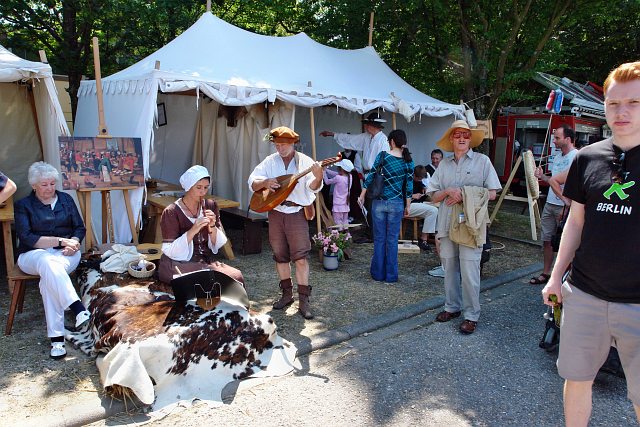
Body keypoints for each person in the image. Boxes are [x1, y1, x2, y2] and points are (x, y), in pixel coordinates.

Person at [542, 61, 640, 426]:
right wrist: (556, 277)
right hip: (585, 295)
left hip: (637, 302)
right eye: (613, 103)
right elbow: (575, 222)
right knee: (576, 378)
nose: (622, 111)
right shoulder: (587, 158)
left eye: (633, 102)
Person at [427, 120, 501, 334]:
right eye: (457, 134)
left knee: (470, 271)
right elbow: (432, 196)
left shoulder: (482, 161)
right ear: (451, 138)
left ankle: (471, 315)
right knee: (449, 268)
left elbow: (493, 193)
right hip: (447, 223)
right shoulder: (444, 164)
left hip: (471, 225)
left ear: (470, 139)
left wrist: (465, 193)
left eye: (466, 135)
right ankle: (452, 307)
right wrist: (448, 191)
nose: (462, 138)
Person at [14, 162, 88, 359]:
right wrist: (60, 241)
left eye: (52, 184)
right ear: (34, 186)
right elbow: (27, 237)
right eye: (44, 184)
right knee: (46, 261)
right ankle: (76, 306)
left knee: (49, 278)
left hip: (65, 254)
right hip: (32, 255)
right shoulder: (23, 205)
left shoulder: (66, 200)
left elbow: (79, 228)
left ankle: (57, 341)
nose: (49, 188)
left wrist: (74, 242)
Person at [248, 126, 323, 319]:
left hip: (296, 212)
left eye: (283, 145)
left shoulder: (305, 162)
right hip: (275, 212)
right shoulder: (270, 161)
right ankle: (287, 295)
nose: (280, 148)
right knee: (280, 256)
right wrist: (264, 183)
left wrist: (319, 176)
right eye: (277, 145)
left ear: (292, 143)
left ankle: (304, 300)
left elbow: (313, 187)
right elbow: (253, 181)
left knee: (300, 257)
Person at [159, 165, 244, 286]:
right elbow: (170, 250)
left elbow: (217, 244)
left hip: (204, 262)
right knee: (198, 279)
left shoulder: (210, 205)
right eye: (198, 187)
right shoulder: (172, 211)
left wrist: (213, 226)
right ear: (188, 187)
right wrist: (193, 230)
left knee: (236, 276)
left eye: (206, 187)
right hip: (178, 262)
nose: (203, 192)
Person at [320, 112, 389, 242]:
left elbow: (383, 162)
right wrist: (333, 134)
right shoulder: (367, 137)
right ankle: (371, 231)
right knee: (368, 204)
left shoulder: (382, 140)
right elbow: (351, 139)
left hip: (376, 176)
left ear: (373, 125)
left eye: (368, 125)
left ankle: (374, 233)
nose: (366, 127)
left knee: (373, 204)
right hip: (369, 175)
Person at [358, 129, 414, 282]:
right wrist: (408, 206)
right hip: (397, 203)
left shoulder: (383, 156)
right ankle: (391, 275)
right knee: (392, 240)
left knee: (379, 239)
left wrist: (362, 195)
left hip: (379, 203)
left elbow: (371, 176)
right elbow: (409, 186)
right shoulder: (408, 160)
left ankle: (378, 274)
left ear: (392, 141)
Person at [530, 124, 577, 285]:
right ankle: (546, 273)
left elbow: (575, 185)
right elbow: (553, 181)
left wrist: (567, 204)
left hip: (564, 206)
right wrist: (542, 176)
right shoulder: (557, 157)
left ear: (568, 139)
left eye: (557, 138)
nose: (554, 141)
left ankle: (563, 277)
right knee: (547, 240)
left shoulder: (576, 157)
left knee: (565, 243)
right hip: (550, 203)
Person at [407, 165, 438, 251]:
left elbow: (421, 186)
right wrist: (412, 195)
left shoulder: (418, 181)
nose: (420, 180)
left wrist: (424, 189)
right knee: (433, 210)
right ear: (414, 175)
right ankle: (423, 239)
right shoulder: (407, 180)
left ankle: (434, 235)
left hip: (416, 204)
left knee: (438, 207)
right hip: (407, 205)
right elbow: (400, 194)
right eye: (419, 179)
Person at [323, 159, 354, 229]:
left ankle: (339, 234)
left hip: (338, 204)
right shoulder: (350, 176)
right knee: (345, 221)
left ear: (342, 169)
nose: (337, 168)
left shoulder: (338, 178)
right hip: (345, 204)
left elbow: (327, 182)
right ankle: (346, 234)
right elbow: (336, 174)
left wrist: (324, 172)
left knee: (337, 222)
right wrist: (326, 170)